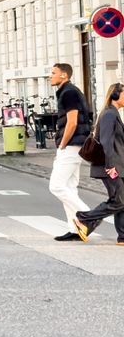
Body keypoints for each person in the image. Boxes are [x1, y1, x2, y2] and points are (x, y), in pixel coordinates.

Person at [48, 60, 95, 241]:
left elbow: (72, 121)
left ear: (64, 75)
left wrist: (62, 144)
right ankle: (76, 229)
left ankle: (88, 217)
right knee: (69, 187)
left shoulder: (68, 93)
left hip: (71, 146)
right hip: (76, 145)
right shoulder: (68, 91)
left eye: (53, 73)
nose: (51, 76)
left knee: (57, 186)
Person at [76, 81, 124, 244]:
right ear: (116, 95)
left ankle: (122, 236)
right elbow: (106, 142)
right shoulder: (109, 114)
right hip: (110, 166)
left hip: (116, 166)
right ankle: (84, 219)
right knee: (119, 200)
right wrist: (110, 167)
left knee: (120, 200)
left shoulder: (113, 113)